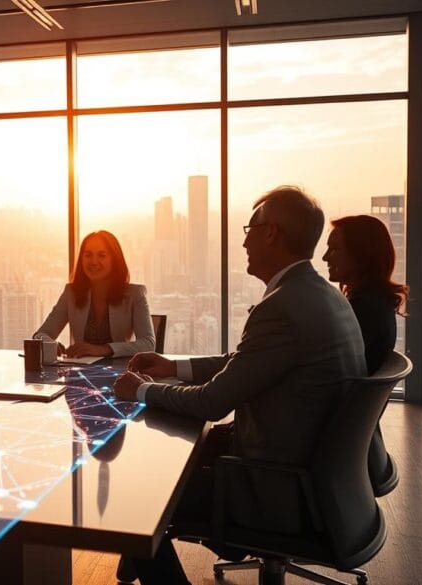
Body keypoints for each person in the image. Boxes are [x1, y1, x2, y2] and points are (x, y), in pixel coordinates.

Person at [112, 186, 366, 584]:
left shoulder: (283, 306)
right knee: (172, 461)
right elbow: (244, 363)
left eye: (250, 228)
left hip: (274, 491)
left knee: (138, 496)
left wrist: (141, 390)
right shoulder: (319, 295)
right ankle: (138, 559)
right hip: (315, 479)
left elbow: (213, 402)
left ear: (271, 233)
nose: (244, 240)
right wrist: (172, 366)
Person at [322, 214, 409, 495]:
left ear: (361, 255)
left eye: (335, 249)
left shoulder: (360, 313)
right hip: (356, 450)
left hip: (326, 445)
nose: (324, 256)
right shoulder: (375, 305)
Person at [34, 230, 154, 358]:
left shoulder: (135, 294)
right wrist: (50, 344)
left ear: (115, 260)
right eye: (88, 255)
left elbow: (148, 344)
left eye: (101, 255)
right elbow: (40, 335)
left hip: (120, 373)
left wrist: (104, 349)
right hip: (80, 371)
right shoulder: (71, 293)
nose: (94, 261)